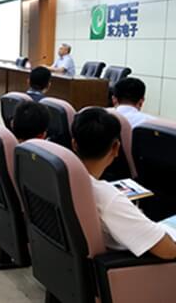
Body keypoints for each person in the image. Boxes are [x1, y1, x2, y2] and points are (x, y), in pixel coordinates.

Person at [72, 108, 176, 259]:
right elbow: (169, 251)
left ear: (74, 144)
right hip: (136, 265)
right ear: (116, 148)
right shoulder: (108, 198)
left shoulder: (68, 180)